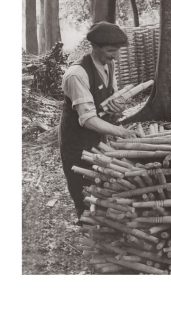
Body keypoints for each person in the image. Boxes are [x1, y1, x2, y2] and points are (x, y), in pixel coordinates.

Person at [59, 21, 137, 219]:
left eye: (118, 51)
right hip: (77, 141)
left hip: (98, 137)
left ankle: (101, 227)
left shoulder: (108, 65)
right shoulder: (76, 75)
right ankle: (86, 229)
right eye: (111, 51)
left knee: (101, 185)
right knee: (83, 190)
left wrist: (118, 106)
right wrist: (122, 132)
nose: (116, 57)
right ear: (94, 47)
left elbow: (111, 96)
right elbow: (87, 119)